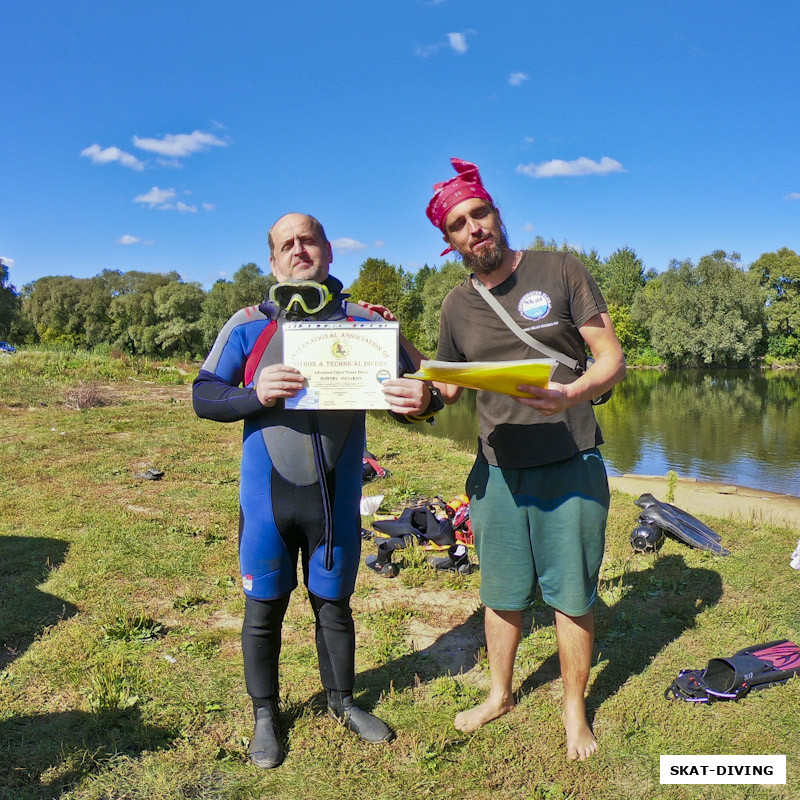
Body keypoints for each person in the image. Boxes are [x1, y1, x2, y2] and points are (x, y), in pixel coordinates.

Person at [192, 212, 441, 768]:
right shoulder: (248, 324)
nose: (299, 250)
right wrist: (255, 394)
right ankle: (265, 716)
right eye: (287, 244)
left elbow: (424, 397)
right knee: (263, 609)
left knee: (335, 604)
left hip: (335, 496)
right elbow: (204, 396)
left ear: (328, 249)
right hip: (267, 502)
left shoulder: (365, 324)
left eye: (309, 240)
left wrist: (423, 400)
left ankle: (342, 702)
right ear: (273, 259)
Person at [425, 158, 626, 761]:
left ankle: (574, 712)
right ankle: (499, 694)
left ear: (496, 213)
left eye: (479, 213)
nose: (474, 229)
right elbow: (449, 388)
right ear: (450, 240)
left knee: (571, 593)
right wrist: (410, 375)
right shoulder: (456, 306)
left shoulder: (559, 269)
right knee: (501, 590)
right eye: (459, 224)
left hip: (570, 460)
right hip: (497, 472)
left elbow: (610, 356)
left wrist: (572, 393)